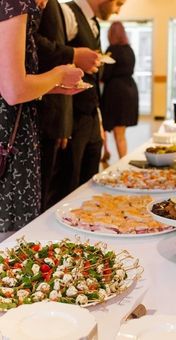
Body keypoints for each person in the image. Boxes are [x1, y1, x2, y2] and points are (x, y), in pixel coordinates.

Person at [0, 0, 84, 236]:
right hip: (9, 141)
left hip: (11, 133)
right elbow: (13, 89)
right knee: (13, 243)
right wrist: (59, 73)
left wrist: (52, 85)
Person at [35, 0, 100, 211]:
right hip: (36, 114)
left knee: (50, 195)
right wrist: (73, 55)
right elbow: (33, 46)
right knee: (45, 197)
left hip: (55, 114)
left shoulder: (58, 7)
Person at [61, 0, 127, 190]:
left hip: (90, 115)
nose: (117, 11)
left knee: (90, 180)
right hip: (71, 116)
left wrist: (97, 119)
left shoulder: (94, 23)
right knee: (69, 182)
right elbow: (51, 57)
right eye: (118, 3)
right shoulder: (67, 13)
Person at [101, 21, 139, 159]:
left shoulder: (112, 50)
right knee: (121, 132)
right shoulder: (130, 50)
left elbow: (106, 74)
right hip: (130, 89)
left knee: (112, 129)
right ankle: (108, 153)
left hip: (116, 91)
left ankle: (122, 161)